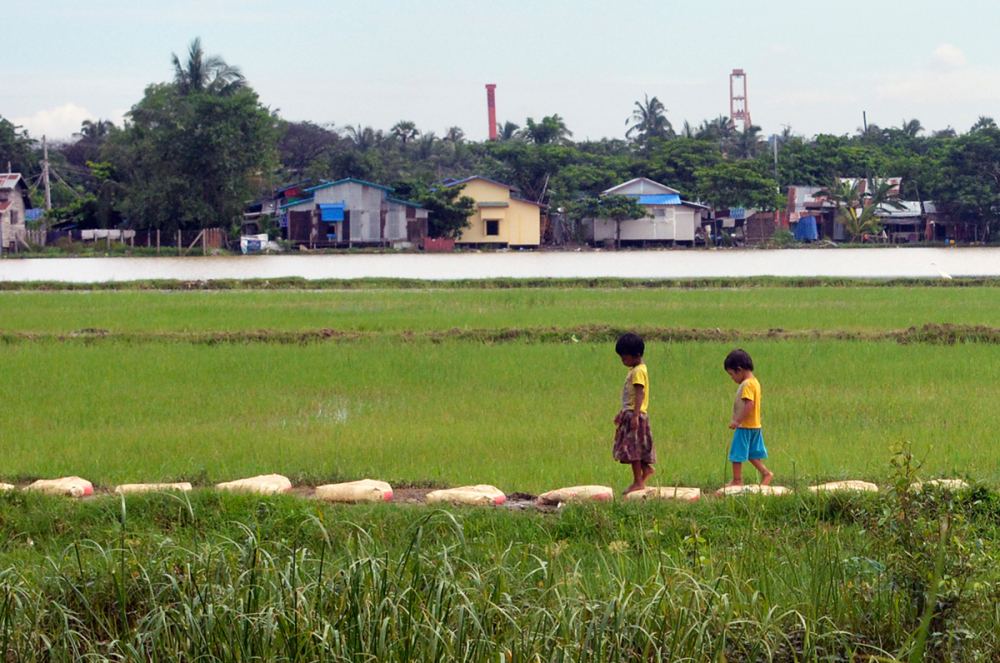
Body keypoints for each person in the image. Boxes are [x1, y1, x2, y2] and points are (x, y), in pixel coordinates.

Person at [613, 333, 656, 494]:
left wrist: (635, 415)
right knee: (632, 449)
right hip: (631, 413)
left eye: (624, 358)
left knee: (633, 450)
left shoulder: (638, 372)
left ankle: (638, 481)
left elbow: (639, 394)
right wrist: (623, 412)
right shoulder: (638, 369)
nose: (623, 361)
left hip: (635, 415)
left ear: (635, 355)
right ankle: (645, 470)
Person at [723, 349, 773, 488]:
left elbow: (749, 403)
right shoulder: (755, 382)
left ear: (739, 370)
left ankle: (737, 480)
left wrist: (737, 421)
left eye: (731, 374)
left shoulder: (747, 385)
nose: (732, 378)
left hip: (744, 426)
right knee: (751, 453)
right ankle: (766, 473)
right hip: (755, 425)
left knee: (736, 453)